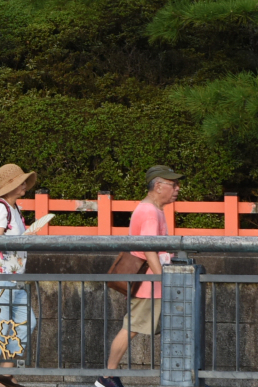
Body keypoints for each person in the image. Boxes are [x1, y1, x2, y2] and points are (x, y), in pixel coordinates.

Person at [95, 165, 181, 387]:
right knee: (131, 327)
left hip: (151, 283)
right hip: (150, 284)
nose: (177, 188)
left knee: (138, 326)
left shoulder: (152, 209)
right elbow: (149, 249)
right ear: (158, 185)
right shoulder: (150, 211)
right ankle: (106, 376)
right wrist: (162, 279)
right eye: (173, 184)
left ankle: (108, 375)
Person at [0, 163, 43, 387]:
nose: (24, 185)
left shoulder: (15, 209)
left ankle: (5, 373)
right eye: (20, 181)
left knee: (26, 322)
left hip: (14, 277)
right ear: (10, 186)